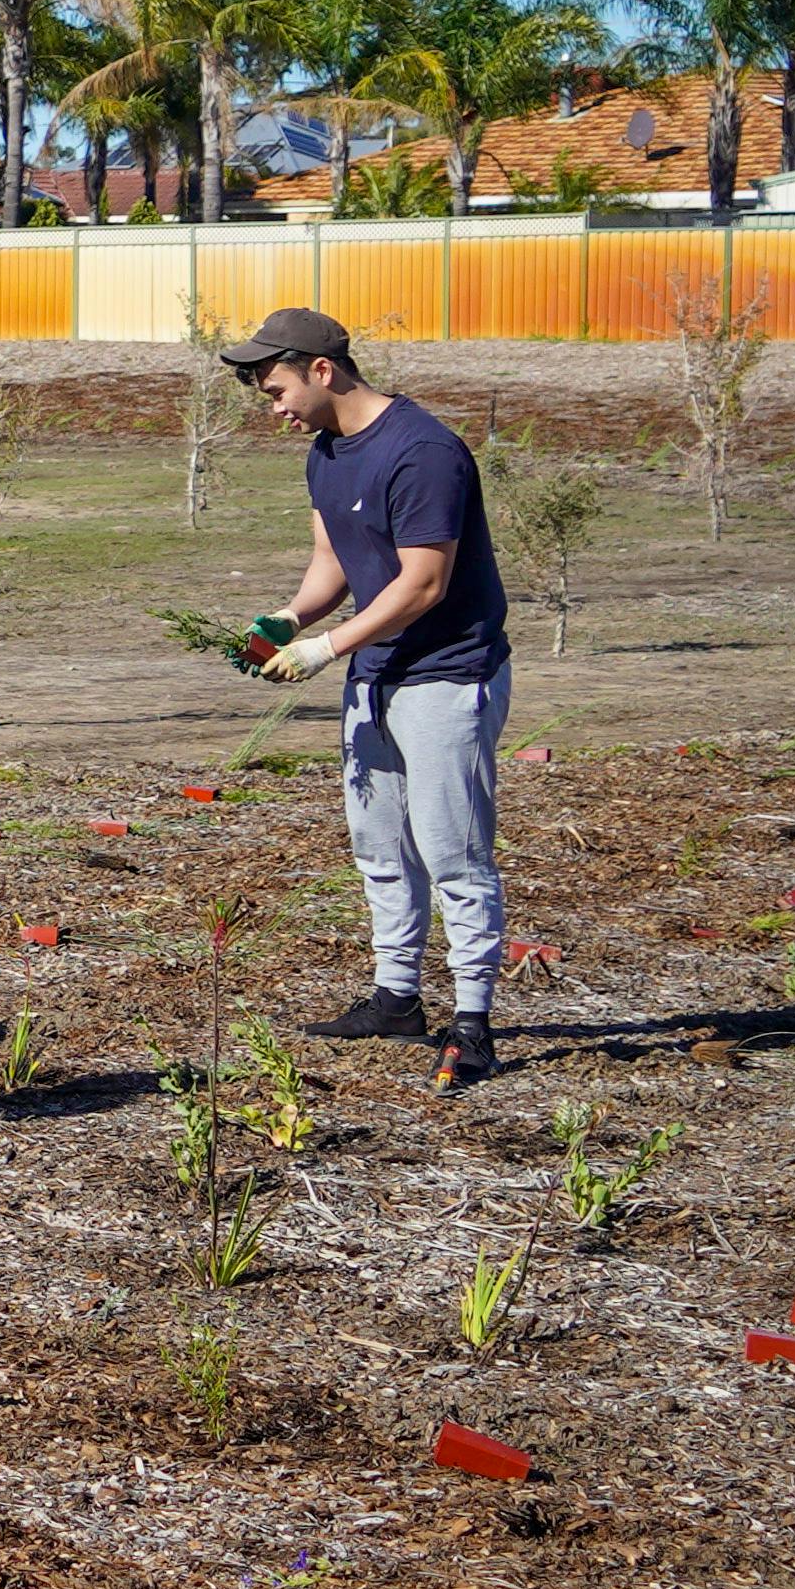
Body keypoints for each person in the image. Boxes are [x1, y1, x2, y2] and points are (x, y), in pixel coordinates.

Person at [225, 304, 514, 1090]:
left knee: (452, 850)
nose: (273, 406)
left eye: (276, 387)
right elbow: (337, 562)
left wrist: (324, 648)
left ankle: (475, 1022)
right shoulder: (327, 452)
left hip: (449, 672)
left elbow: (424, 584)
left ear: (323, 370)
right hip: (375, 672)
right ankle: (396, 999)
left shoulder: (423, 453)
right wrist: (288, 619)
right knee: (379, 844)